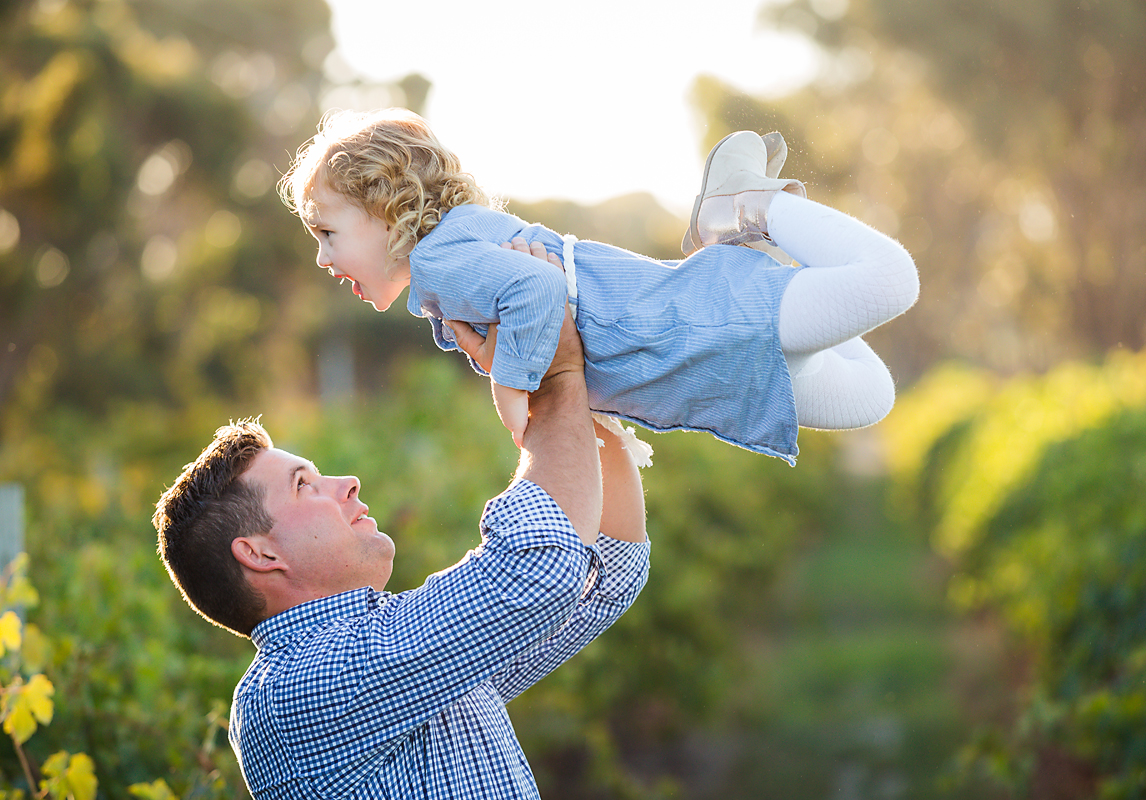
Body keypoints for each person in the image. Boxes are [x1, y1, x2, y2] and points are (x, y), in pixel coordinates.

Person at [152, 274, 651, 799]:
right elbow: (537, 571)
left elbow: (607, 576)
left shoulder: (398, 657)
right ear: (259, 553)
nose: (345, 483)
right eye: (305, 485)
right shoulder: (292, 690)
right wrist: (555, 378)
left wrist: (573, 393)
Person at [279, 109, 920, 465]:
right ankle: (758, 251)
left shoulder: (439, 260)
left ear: (385, 206)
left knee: (890, 279)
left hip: (698, 330)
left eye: (328, 232)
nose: (322, 257)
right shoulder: (451, 269)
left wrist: (511, 389)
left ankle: (745, 206)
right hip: (703, 367)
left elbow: (539, 289)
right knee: (871, 396)